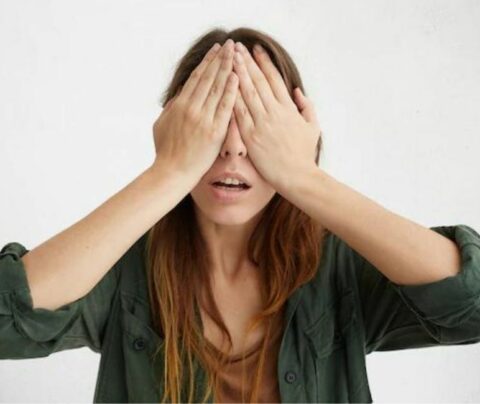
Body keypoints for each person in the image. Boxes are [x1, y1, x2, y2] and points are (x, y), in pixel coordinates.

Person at [1, 26, 480, 404]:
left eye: (255, 121)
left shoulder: (338, 266)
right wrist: (168, 171)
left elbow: (471, 307)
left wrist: (304, 176)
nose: (232, 146)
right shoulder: (124, 267)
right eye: (212, 121)